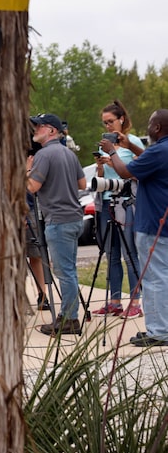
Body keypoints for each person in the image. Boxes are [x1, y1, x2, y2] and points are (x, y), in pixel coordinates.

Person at [99, 109, 168, 347]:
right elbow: (149, 161)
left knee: (154, 278)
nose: (147, 128)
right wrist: (131, 148)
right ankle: (162, 328)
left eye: (150, 124)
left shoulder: (160, 150)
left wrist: (112, 152)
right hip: (162, 223)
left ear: (157, 128)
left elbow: (126, 172)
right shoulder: (161, 151)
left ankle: (159, 332)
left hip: (154, 224)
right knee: (163, 276)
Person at [27, 113, 86, 335]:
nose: (35, 130)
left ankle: (69, 318)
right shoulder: (69, 154)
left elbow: (31, 187)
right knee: (69, 270)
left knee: (65, 271)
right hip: (73, 217)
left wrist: (25, 170)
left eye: (39, 127)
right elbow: (82, 183)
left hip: (58, 220)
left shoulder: (44, 155)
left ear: (52, 130)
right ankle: (69, 315)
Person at [91, 101, 144, 318]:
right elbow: (102, 179)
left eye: (111, 122)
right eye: (104, 123)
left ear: (121, 119)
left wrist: (115, 161)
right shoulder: (106, 144)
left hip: (125, 201)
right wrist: (102, 166)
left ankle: (135, 302)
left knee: (130, 252)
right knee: (111, 253)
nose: (108, 127)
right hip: (106, 200)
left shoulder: (132, 142)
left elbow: (141, 172)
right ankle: (114, 301)